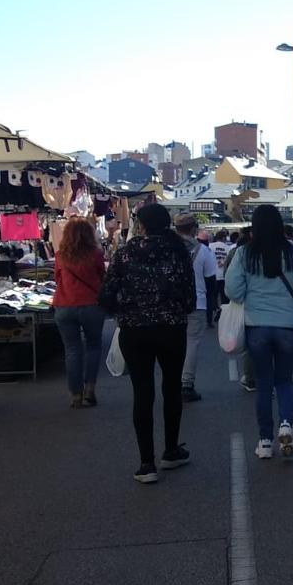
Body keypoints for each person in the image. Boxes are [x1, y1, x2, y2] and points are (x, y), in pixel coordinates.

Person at [99, 204, 196, 484]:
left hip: (135, 329)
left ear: (140, 225)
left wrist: (125, 309)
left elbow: (106, 295)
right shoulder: (178, 252)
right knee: (171, 387)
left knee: (142, 392)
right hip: (171, 327)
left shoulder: (125, 254)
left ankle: (146, 463)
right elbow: (189, 296)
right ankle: (170, 449)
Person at [225, 205, 293, 459]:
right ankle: (286, 424)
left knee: (264, 384)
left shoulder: (244, 254)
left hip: (257, 326)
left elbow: (232, 289)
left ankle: (264, 441)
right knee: (285, 381)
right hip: (288, 326)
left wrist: (248, 301)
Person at [52, 217, 107, 409]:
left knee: (72, 350)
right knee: (93, 346)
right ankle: (90, 389)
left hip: (65, 305)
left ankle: (75, 395)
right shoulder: (96, 254)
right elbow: (102, 277)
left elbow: (57, 279)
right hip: (91, 304)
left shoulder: (60, 256)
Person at [174, 214, 218, 402]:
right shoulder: (204, 252)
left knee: (173, 345)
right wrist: (212, 307)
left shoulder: (168, 250)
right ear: (193, 229)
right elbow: (211, 281)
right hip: (196, 303)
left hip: (170, 304)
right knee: (191, 344)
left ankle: (172, 382)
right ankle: (186, 384)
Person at [225, 229, 257, 392]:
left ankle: (250, 378)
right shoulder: (287, 250)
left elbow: (229, 281)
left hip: (246, 304)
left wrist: (236, 298)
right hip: (281, 312)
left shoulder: (237, 252)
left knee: (249, 343)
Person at [209, 230, 232, 323]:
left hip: (212, 275)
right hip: (223, 276)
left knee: (212, 296)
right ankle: (223, 315)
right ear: (223, 238)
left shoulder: (210, 246)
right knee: (224, 298)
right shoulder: (228, 248)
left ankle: (212, 313)